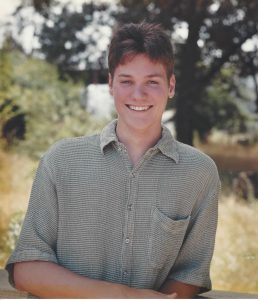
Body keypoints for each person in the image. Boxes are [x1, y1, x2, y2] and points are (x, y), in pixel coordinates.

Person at [5, 22, 220, 298]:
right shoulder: (60, 161)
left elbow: (190, 275)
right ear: (110, 84)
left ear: (171, 86)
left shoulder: (199, 173)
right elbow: (26, 269)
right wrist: (122, 296)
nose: (138, 95)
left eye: (152, 82)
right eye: (126, 81)